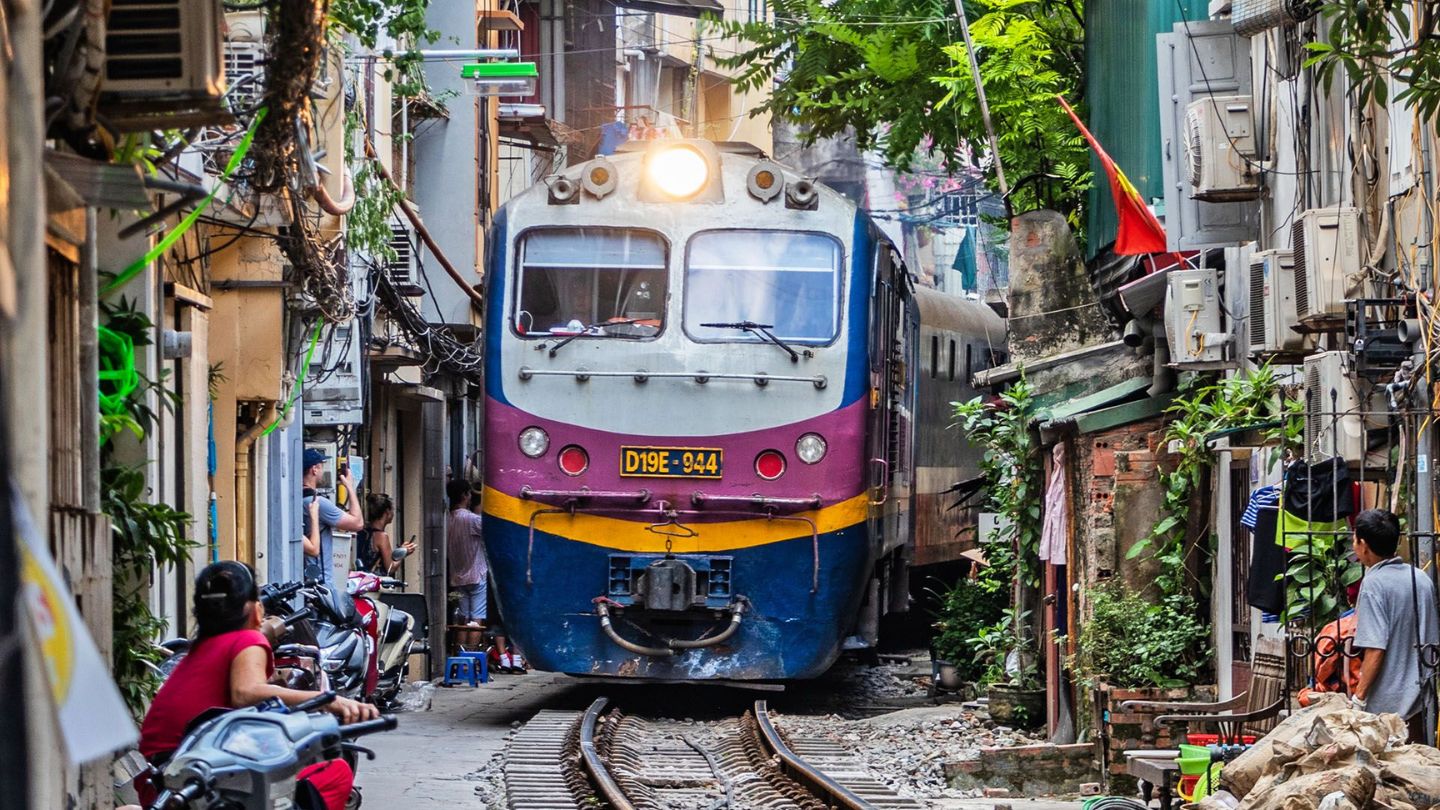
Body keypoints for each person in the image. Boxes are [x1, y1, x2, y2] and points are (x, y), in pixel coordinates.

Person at [138, 561, 379, 810]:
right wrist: (330, 700)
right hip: (195, 776)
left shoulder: (200, 647)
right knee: (334, 772)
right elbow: (245, 693)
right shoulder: (248, 639)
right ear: (254, 609)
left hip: (160, 780)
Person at [1351, 508, 1438, 743]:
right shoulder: (1420, 578)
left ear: (1364, 545)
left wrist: (1358, 699)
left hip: (1385, 710)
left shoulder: (1373, 584)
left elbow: (1375, 649)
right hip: (1420, 703)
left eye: (1355, 537)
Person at [302, 447, 363, 583]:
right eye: (321, 466)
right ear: (314, 469)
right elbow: (358, 523)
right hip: (321, 581)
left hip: (306, 577)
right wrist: (350, 486)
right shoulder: (317, 503)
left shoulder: (298, 500)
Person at [446, 479, 487, 625]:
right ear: (464, 495)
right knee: (476, 619)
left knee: (463, 619)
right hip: (476, 575)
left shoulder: (448, 519)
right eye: (469, 493)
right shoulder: (472, 519)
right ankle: (472, 648)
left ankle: (460, 648)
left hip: (457, 577)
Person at [356, 493, 415, 574]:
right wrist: (404, 553)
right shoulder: (382, 536)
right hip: (373, 582)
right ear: (387, 512)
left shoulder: (362, 531)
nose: (393, 513)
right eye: (392, 510)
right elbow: (390, 568)